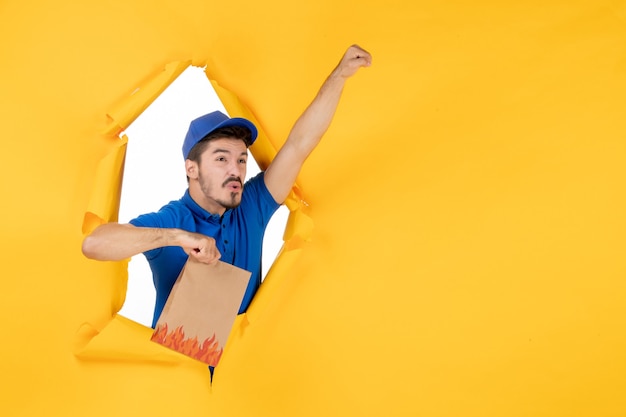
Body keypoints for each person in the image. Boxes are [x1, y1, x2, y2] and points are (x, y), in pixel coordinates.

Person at [82, 44, 372, 329]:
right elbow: (94, 244)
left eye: (242, 160)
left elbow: (299, 145)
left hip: (244, 372)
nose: (236, 170)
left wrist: (339, 77)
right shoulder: (172, 220)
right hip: (177, 374)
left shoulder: (253, 203)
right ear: (191, 168)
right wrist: (176, 238)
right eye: (221, 158)